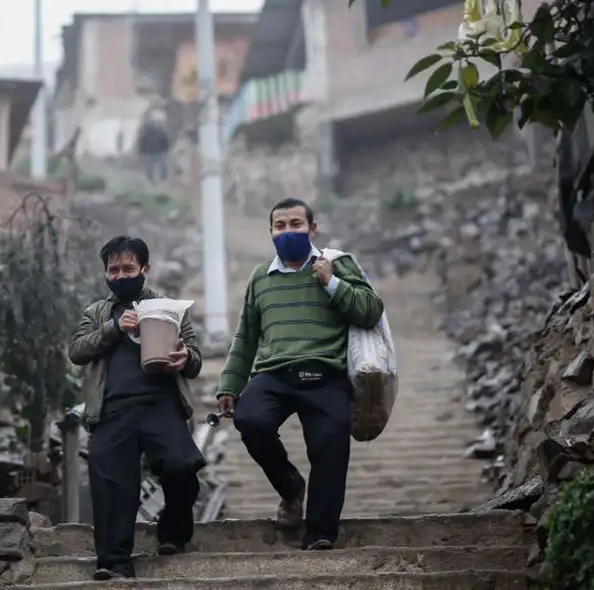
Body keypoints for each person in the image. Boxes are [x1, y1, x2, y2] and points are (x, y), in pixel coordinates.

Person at [216, 198, 384, 550]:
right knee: (251, 420)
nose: (288, 231)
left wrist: (332, 283)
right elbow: (246, 336)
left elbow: (370, 311)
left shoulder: (338, 265)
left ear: (313, 228)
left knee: (329, 448)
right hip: (274, 373)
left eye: (296, 224)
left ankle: (320, 533)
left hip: (325, 374)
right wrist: (229, 384)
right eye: (280, 226)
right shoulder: (261, 278)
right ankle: (291, 488)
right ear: (271, 232)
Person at [68, 235, 205, 580]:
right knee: (112, 486)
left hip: (161, 406)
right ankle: (114, 564)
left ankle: (173, 530)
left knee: (182, 466)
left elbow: (195, 359)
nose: (120, 275)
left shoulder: (171, 308)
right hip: (112, 410)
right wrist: (114, 327)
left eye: (128, 268)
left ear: (145, 269)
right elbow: (77, 351)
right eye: (113, 269)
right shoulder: (96, 312)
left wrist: (184, 357)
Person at [136, 112, 171, 183]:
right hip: (157, 152)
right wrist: (166, 150)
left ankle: (153, 180)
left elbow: (141, 143)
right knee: (161, 166)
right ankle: (161, 179)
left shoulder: (145, 133)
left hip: (151, 153)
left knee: (151, 168)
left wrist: (140, 152)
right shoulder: (160, 131)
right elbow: (165, 141)